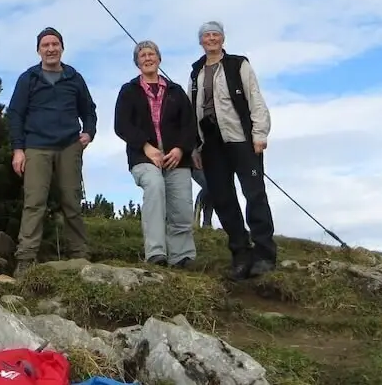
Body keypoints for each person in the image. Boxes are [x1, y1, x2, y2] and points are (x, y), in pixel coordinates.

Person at [189, 21, 277, 280]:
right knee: (223, 198)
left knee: (254, 194)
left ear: (223, 39)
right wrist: (195, 146)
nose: (211, 39)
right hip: (211, 143)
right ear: (201, 41)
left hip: (241, 139)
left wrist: (259, 133)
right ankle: (240, 253)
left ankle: (264, 253)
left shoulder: (239, 64)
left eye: (216, 34)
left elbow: (255, 99)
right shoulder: (196, 72)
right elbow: (192, 110)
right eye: (207, 35)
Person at [7, 27, 98, 276]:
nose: (50, 49)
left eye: (55, 44)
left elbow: (89, 109)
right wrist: (18, 149)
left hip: (69, 145)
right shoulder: (29, 79)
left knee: (72, 201)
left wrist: (89, 132)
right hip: (36, 146)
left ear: (62, 48)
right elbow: (15, 114)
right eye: (45, 45)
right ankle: (25, 259)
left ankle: (79, 256)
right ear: (38, 50)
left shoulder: (74, 77)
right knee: (34, 202)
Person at [113, 40, 200, 267]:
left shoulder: (176, 91)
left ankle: (182, 256)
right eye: (142, 56)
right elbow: (121, 125)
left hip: (177, 159)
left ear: (159, 59)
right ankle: (156, 253)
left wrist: (180, 149)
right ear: (137, 63)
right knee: (154, 187)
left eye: (151, 54)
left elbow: (189, 126)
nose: (148, 58)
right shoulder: (129, 91)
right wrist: (146, 146)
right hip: (143, 158)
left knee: (181, 204)